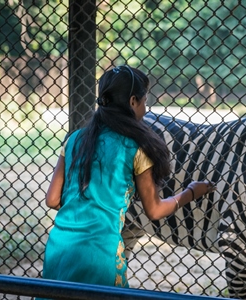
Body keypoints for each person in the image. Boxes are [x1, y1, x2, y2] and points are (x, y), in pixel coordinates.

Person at [41, 65, 216, 292]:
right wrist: (191, 192)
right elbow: (154, 210)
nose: (146, 107)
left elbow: (52, 200)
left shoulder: (74, 139)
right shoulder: (135, 148)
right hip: (100, 253)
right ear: (133, 102)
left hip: (58, 249)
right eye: (144, 101)